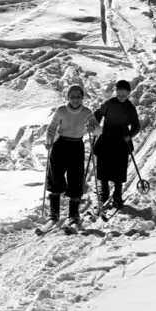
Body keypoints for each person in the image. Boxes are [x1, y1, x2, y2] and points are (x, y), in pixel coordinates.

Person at [44, 85, 102, 225]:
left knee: (75, 178)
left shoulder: (87, 112)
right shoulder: (61, 110)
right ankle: (54, 213)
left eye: (78, 96)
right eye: (72, 96)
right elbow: (51, 128)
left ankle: (74, 215)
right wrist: (49, 140)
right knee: (55, 176)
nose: (75, 99)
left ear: (83, 97)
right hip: (61, 145)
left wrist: (92, 128)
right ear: (68, 97)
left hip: (77, 146)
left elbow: (98, 131)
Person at [93, 79, 143, 208]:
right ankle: (104, 192)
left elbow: (136, 125)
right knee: (103, 164)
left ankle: (117, 194)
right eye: (119, 94)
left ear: (128, 94)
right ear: (115, 92)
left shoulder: (130, 108)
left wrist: (130, 136)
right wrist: (94, 124)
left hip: (121, 139)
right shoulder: (109, 103)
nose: (121, 97)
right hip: (107, 137)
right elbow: (98, 114)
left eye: (124, 95)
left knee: (119, 167)